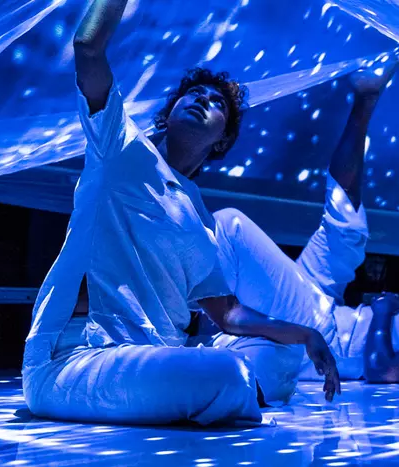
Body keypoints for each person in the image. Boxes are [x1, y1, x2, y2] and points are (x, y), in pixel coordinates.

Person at [20, 0, 339, 426]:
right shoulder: (121, 146)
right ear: (167, 115)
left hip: (154, 357)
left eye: (216, 103)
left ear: (221, 141)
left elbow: (227, 314)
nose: (202, 100)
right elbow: (88, 48)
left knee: (279, 352)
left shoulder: (201, 219)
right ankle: (224, 394)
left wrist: (307, 333)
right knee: (228, 373)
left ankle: (216, 391)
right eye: (194, 93)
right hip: (77, 360)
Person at [201, 54, 399, 384]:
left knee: (231, 227)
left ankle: (198, 312)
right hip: (331, 305)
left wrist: (384, 313)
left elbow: (380, 369)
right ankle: (366, 95)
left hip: (325, 329)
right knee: (347, 230)